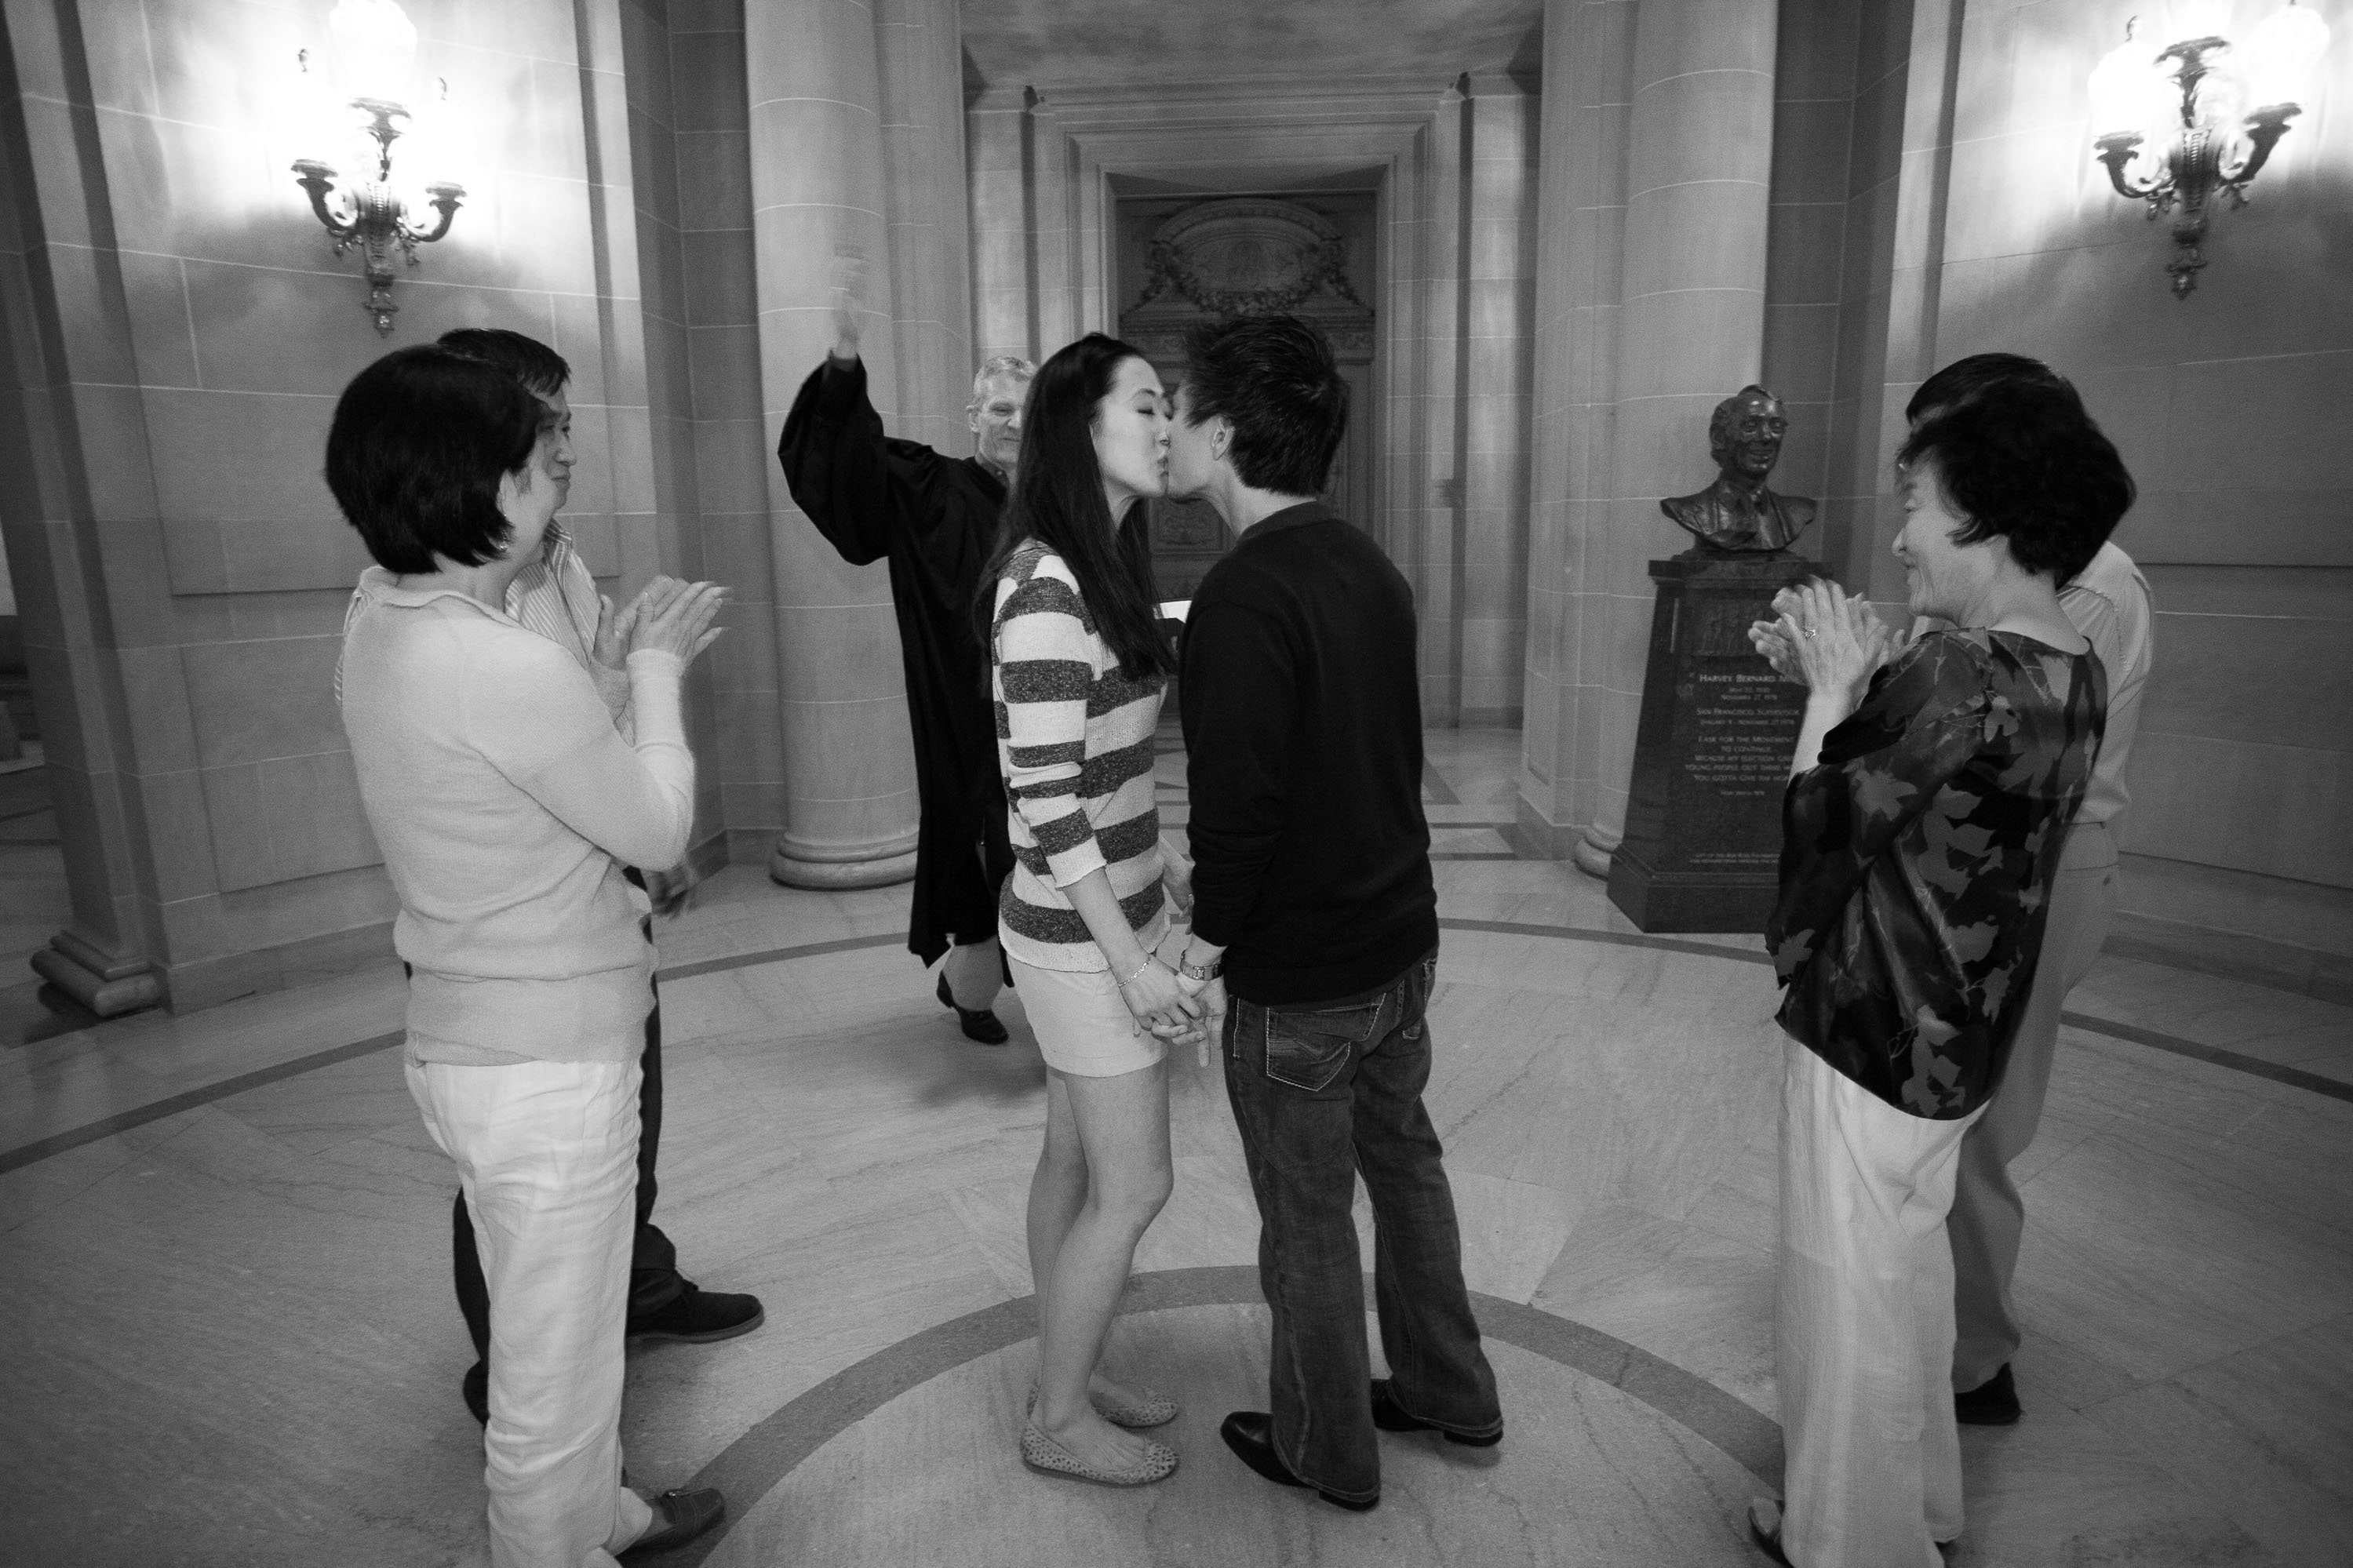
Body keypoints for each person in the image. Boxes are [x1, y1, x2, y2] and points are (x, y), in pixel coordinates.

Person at [330, 344, 730, 1563]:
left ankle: (603, 1509)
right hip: (547, 1063)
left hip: (470, 1040)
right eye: (532, 456)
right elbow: (655, 827)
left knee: (557, 1326)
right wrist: (653, 679)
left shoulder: (380, 611)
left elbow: (513, 779)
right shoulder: (496, 660)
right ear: (479, 484)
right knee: (547, 1395)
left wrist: (597, 680)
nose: (555, 472)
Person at [1744, 378, 2133, 1567]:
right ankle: (1918, 1508)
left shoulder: (1955, 671)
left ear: (1980, 510)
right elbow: (1933, 794)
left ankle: (1847, 1543)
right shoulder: (2070, 662)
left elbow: (1816, 828)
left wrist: (1824, 694)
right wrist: (1856, 685)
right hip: (1957, 1035)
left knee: (1843, 1296)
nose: (1902, 530)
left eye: (1913, 499)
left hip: (1871, 1023)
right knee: (1906, 1276)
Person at [1164, 313, 1501, 1515]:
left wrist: (1200, 950)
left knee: (1305, 1214)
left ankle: (1325, 1443)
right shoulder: (1368, 561)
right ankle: (1451, 1388)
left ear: (1221, 432)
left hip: (1301, 971)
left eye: (1179, 406)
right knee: (1405, 1171)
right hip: (1398, 945)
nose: (1166, 428)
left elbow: (1238, 819)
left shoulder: (1241, 597)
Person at [432, 328, 763, 1428]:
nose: (569, 447)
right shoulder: (467, 602)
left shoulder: (557, 558)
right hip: (536, 943)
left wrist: (634, 845)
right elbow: (521, 763)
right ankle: (514, 1361)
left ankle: (636, 1284)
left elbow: (585, 724)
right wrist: (641, 808)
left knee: (633, 1113)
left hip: (600, 883)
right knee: (526, 1168)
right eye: (548, 424)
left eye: (569, 421)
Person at [1904, 356, 2154, 1428]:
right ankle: (1931, 1329)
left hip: (2038, 865)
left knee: (1980, 1126)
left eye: (1928, 481)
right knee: (1939, 1121)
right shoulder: (2014, 579)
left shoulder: (2083, 585)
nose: (1915, 513)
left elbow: (1994, 745)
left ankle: (1972, 1356)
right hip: (1988, 857)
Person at [983, 332, 1202, 1489]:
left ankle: (1067, 1362)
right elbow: (1049, 805)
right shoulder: (1044, 586)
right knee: (1136, 1182)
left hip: (1106, 916)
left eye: (1169, 409)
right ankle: (1057, 1418)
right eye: (1147, 405)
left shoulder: (1101, 563)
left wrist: (1165, 888)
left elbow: (1114, 777)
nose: (1165, 425)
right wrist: (1130, 963)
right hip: (1076, 939)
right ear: (1081, 426)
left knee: (1071, 1160)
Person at [778, 259, 1033, 1044]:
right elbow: (847, 475)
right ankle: (973, 990)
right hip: (962, 713)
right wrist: (844, 371)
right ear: (970, 416)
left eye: (1026, 412)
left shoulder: (1064, 508)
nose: (1011, 424)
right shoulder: (931, 486)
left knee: (1045, 853)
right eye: (997, 408)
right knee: (977, 852)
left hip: (1045, 713)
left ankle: (1035, 978)